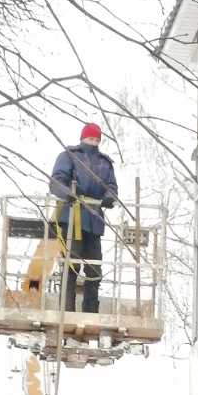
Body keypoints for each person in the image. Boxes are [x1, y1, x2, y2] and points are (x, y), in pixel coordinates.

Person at [48, 121, 119, 313]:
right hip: (72, 216)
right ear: (82, 138)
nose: (93, 142)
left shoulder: (105, 163)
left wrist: (108, 199)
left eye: (96, 139)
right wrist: (68, 192)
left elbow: (112, 187)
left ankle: (90, 312)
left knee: (94, 268)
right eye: (90, 138)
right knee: (71, 266)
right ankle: (67, 311)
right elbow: (56, 180)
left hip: (94, 220)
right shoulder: (69, 156)